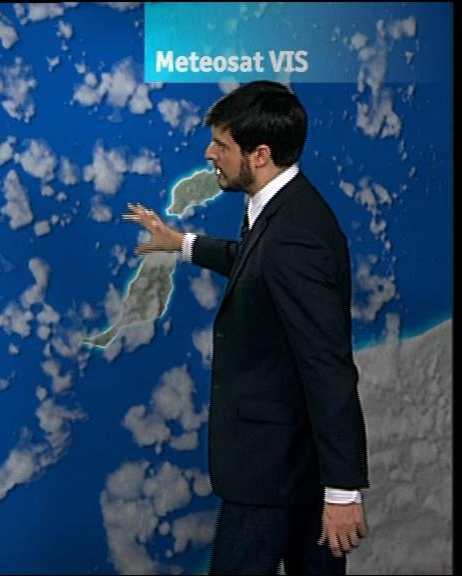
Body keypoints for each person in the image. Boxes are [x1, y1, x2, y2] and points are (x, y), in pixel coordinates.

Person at [123, 81, 368, 574]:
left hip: (271, 468)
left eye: (222, 145)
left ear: (260, 155)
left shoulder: (293, 235)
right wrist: (182, 243)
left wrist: (344, 492)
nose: (209, 153)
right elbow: (256, 264)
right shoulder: (282, 210)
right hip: (290, 465)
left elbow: (328, 366)